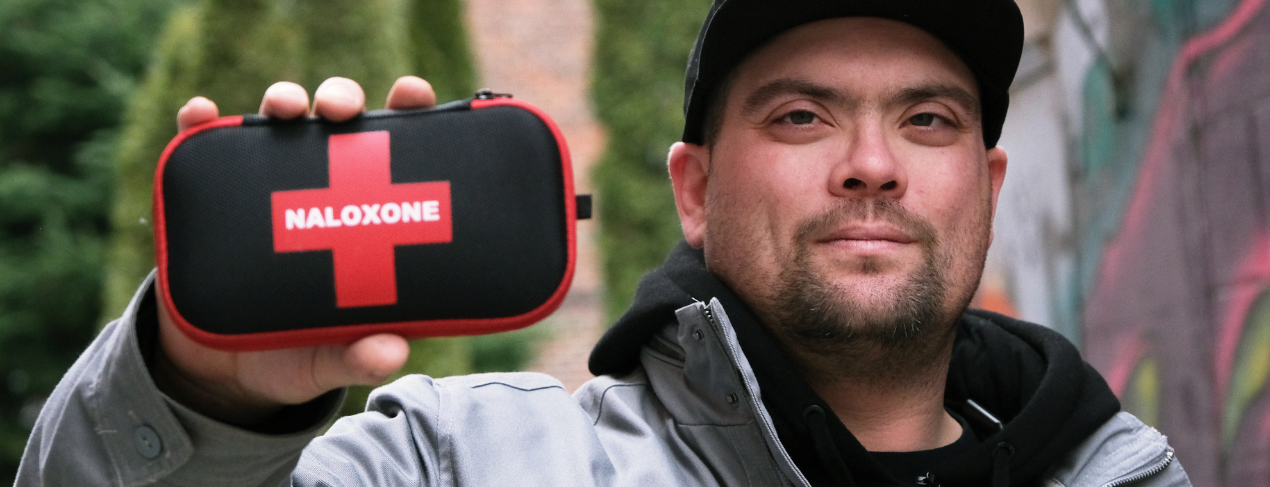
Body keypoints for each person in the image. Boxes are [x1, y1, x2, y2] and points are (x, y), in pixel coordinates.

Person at [16, 1, 1190, 485]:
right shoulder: (455, 463)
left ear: (985, 184)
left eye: (926, 119)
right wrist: (202, 397)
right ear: (693, 189)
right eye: (800, 114)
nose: (871, 163)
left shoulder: (1123, 474)